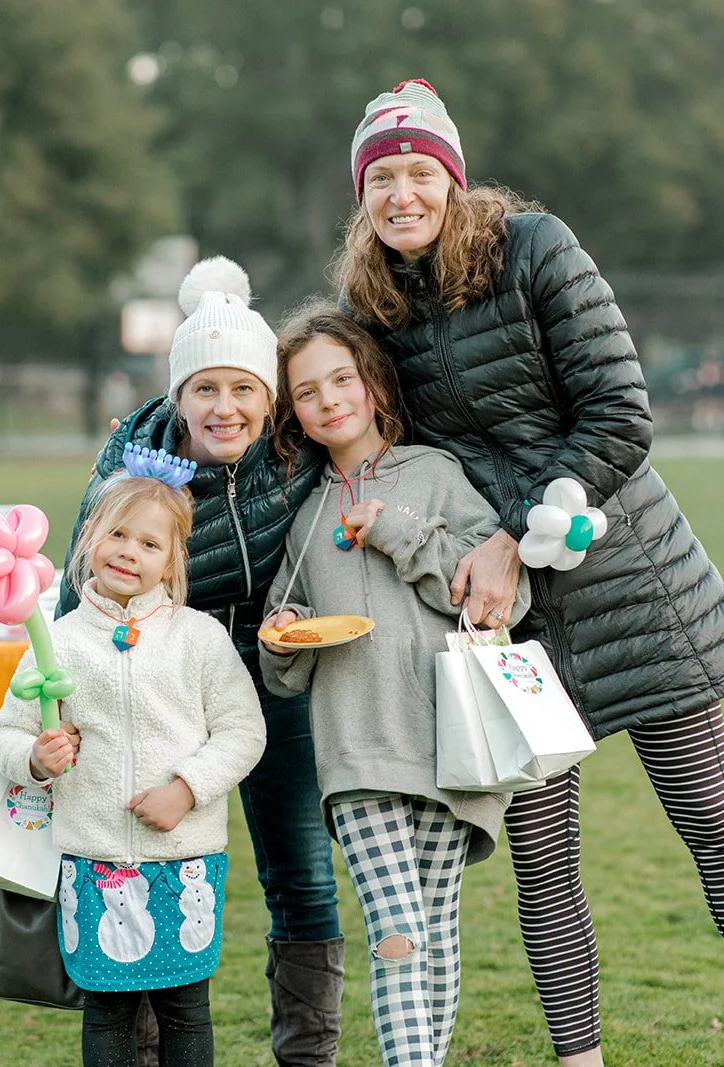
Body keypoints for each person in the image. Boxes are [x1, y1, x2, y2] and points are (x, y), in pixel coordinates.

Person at [335, 79, 724, 1067]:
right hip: (506, 617)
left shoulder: (535, 248)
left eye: (417, 171)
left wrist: (517, 532)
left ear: (450, 177)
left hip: (632, 583)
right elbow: (344, 415)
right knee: (543, 860)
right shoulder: (374, 306)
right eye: (380, 177)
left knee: (711, 825)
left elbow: (618, 413)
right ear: (362, 196)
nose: (401, 193)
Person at [52, 256, 344, 1066]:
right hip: (154, 685)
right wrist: (61, 713)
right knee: (135, 863)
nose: (226, 406)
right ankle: (142, 1049)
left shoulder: (295, 450)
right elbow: (75, 593)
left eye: (244, 387)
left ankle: (307, 1055)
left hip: (278, 683)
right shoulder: (131, 471)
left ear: (269, 395)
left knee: (302, 879)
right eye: (206, 388)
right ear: (178, 394)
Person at [257, 305, 527, 1065]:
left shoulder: (436, 476)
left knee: (436, 936)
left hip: (454, 751)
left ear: (372, 383)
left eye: (341, 379)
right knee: (397, 932)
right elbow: (287, 667)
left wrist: (399, 532)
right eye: (307, 392)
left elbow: (502, 599)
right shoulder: (306, 518)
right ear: (295, 414)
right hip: (359, 755)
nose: (329, 400)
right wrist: (284, 634)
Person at [0, 462, 266, 1067]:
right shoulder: (56, 642)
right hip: (92, 860)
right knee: (107, 1012)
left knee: (186, 1011)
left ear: (171, 562)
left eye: (148, 542)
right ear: (90, 536)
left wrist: (187, 789)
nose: (128, 552)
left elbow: (244, 731)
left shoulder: (200, 640)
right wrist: (36, 757)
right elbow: (6, 734)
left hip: (184, 862)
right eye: (117, 534)